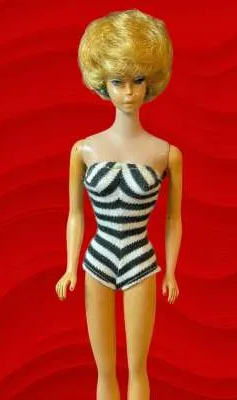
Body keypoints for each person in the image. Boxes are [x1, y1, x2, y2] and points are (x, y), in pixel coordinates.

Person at [55, 9, 183, 400]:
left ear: (151, 81)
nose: (128, 92)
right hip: (97, 259)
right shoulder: (84, 150)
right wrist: (69, 266)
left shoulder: (166, 154)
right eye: (118, 82)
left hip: (140, 260)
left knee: (138, 368)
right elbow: (75, 214)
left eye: (138, 81)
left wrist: (171, 272)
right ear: (102, 82)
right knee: (104, 370)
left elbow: (174, 219)